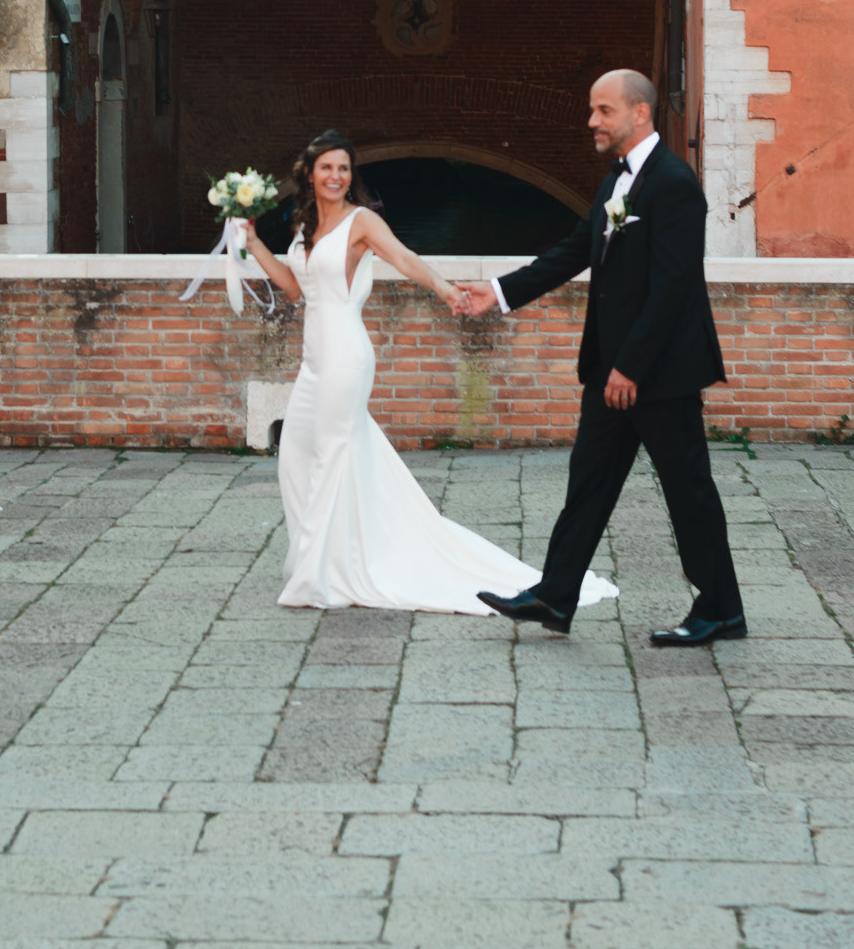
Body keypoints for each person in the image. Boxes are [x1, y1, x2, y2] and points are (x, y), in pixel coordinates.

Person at [235, 129, 618, 616]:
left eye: (344, 168)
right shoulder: (304, 225)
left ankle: (320, 575)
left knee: (332, 456)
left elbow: (404, 258)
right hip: (314, 361)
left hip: (345, 356)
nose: (336, 176)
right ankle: (328, 559)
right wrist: (252, 243)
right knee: (295, 454)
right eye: (327, 167)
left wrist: (446, 290)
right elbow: (294, 289)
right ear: (309, 174)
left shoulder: (360, 222)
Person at [460, 69, 745, 647]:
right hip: (610, 371)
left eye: (603, 110)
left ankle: (720, 609)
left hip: (658, 374)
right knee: (588, 484)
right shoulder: (617, 180)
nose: (592, 121)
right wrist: (499, 291)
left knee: (688, 489)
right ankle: (554, 595)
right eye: (592, 110)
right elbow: (574, 250)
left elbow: (674, 286)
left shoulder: (675, 183)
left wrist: (632, 366)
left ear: (639, 113)